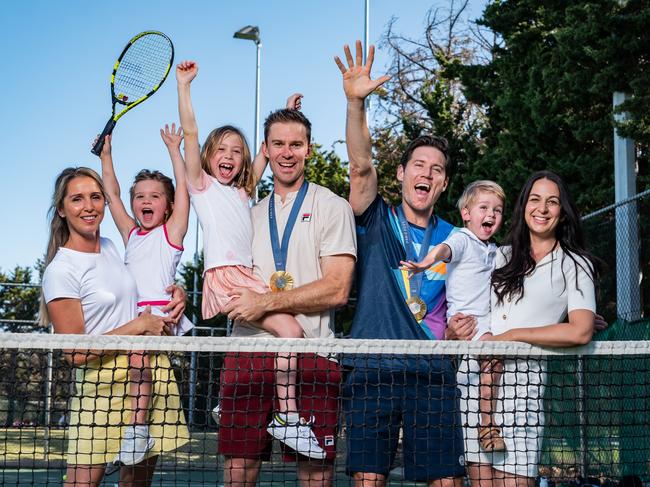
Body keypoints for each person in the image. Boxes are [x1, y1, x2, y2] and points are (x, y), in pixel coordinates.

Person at [175, 59, 326, 458]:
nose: (229, 155)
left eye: (236, 151)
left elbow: (271, 149)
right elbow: (190, 132)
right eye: (221, 149)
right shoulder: (202, 187)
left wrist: (289, 113)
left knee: (276, 337)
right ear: (207, 156)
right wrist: (184, 87)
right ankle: (288, 416)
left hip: (249, 277)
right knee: (291, 333)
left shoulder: (243, 192)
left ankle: (234, 402)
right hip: (227, 279)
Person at [335, 40, 467, 486]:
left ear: (444, 182)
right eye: (418, 165)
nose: (425, 173)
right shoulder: (375, 218)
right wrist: (356, 104)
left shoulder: (457, 239)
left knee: (445, 481)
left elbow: (473, 301)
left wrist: (460, 329)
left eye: (435, 169)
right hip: (373, 370)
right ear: (401, 174)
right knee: (368, 479)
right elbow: (359, 166)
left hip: (432, 375)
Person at [219, 107, 357, 486]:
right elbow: (225, 277)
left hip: (313, 354)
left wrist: (264, 302)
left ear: (309, 149)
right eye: (278, 143)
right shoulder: (245, 214)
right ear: (265, 148)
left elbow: (337, 288)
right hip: (246, 354)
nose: (287, 152)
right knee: (238, 469)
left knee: (315, 473)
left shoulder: (333, 206)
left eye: (296, 144)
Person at [40, 167, 189, 487]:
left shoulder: (111, 246)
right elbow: (75, 352)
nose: (89, 206)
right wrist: (137, 327)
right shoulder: (61, 270)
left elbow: (145, 283)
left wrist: (178, 292)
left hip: (149, 372)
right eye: (77, 199)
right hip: (101, 387)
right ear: (62, 210)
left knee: (136, 483)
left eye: (95, 197)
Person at [456, 170, 601, 486]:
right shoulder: (498, 256)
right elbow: (470, 309)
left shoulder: (576, 265)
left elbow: (580, 331)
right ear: (524, 206)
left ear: (563, 212)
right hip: (473, 390)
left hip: (523, 401)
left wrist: (511, 338)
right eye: (535, 199)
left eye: (553, 202)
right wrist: (455, 330)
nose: (543, 208)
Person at [96, 125, 193, 466]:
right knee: (128, 371)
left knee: (139, 360)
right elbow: (112, 195)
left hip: (159, 318)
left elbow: (184, 188)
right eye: (140, 196)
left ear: (168, 207)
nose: (145, 201)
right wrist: (106, 156)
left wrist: (174, 149)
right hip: (128, 318)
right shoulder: (131, 232)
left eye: (155, 196)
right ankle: (125, 434)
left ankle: (138, 432)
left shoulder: (172, 232)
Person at [402, 180, 508, 452]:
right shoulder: (462, 238)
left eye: (497, 210)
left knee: (493, 365)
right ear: (466, 214)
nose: (491, 215)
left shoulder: (494, 251)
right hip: (469, 326)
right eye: (483, 207)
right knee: (493, 360)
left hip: (489, 322)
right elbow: (444, 251)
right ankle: (487, 428)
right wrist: (425, 262)